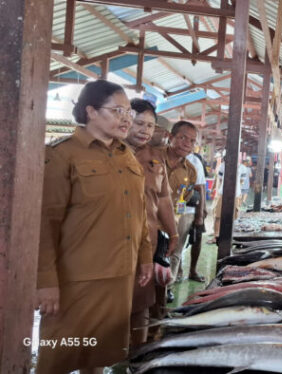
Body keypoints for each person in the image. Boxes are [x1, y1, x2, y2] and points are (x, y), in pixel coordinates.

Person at [36, 80, 153, 374]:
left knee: (99, 355)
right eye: (117, 111)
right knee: (58, 359)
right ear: (91, 111)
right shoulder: (62, 155)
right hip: (76, 281)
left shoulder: (127, 155)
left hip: (119, 278)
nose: (126, 118)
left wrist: (146, 256)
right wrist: (45, 281)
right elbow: (44, 223)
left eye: (128, 111)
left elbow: (138, 211)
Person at [125, 99, 179, 346]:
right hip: (114, 243)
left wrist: (173, 232)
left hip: (148, 242)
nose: (145, 130)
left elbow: (165, 198)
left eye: (150, 125)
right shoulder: (112, 151)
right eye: (139, 123)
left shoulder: (155, 158)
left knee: (143, 303)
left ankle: (138, 355)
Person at [161, 121, 198, 303]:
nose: (187, 144)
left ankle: (168, 286)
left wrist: (178, 218)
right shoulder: (154, 158)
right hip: (151, 218)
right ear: (171, 137)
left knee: (174, 253)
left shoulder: (190, 171)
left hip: (175, 216)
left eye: (192, 141)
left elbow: (184, 196)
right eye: (183, 138)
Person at [184, 150, 208, 283]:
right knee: (176, 242)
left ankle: (193, 270)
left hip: (194, 206)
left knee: (197, 238)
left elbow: (201, 187)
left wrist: (201, 211)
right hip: (176, 208)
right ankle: (178, 271)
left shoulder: (195, 161)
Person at [212, 156, 243, 242]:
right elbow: (220, 179)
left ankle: (223, 235)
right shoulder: (223, 165)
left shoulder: (240, 167)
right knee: (218, 215)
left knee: (231, 216)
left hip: (234, 193)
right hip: (225, 193)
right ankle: (216, 235)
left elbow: (221, 179)